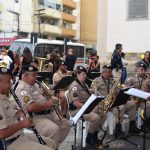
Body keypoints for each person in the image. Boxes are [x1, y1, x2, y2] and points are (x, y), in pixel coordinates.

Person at [0, 64, 56, 150]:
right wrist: (21, 124)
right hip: (9, 142)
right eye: (8, 82)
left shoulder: (4, 97)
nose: (11, 84)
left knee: (52, 143)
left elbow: (8, 118)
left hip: (19, 136)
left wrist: (18, 114)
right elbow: (1, 133)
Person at [15, 64, 71, 148]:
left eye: (36, 74)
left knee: (66, 124)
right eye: (33, 75)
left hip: (49, 113)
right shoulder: (22, 88)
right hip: (35, 117)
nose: (36, 77)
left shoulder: (35, 84)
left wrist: (51, 98)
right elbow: (30, 107)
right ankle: (50, 146)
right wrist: (48, 104)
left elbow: (45, 96)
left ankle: (53, 146)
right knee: (53, 129)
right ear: (25, 75)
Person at [68, 66, 106, 146]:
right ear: (77, 74)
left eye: (86, 74)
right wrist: (90, 109)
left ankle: (94, 134)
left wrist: (96, 93)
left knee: (103, 114)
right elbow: (76, 103)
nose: (85, 76)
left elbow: (89, 93)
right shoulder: (74, 86)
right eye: (83, 74)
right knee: (96, 117)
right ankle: (89, 138)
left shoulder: (83, 84)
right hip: (77, 110)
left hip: (85, 107)